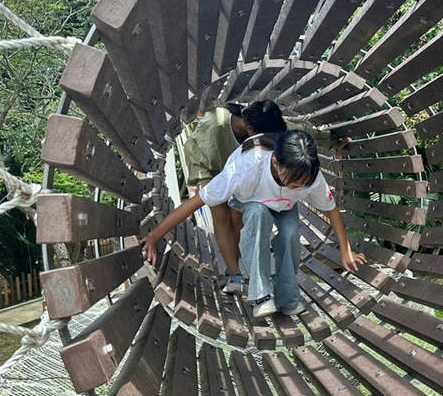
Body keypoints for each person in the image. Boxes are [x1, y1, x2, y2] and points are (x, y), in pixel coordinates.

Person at [142, 130, 366, 319]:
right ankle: (261, 295)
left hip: (285, 205)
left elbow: (332, 210)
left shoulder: (310, 176)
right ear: (276, 163)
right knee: (259, 215)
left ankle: (288, 298)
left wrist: (346, 252)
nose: (300, 184)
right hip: (248, 199)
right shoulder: (245, 170)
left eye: (305, 181)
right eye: (295, 179)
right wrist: (153, 237)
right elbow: (193, 203)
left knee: (290, 233)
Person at [181, 101, 287, 295]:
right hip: (206, 167)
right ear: (249, 127)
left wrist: (332, 139)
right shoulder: (217, 120)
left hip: (235, 171)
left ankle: (237, 269)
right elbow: (196, 149)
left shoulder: (262, 125)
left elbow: (298, 129)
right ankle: (234, 274)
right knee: (220, 216)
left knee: (236, 218)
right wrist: (200, 180)